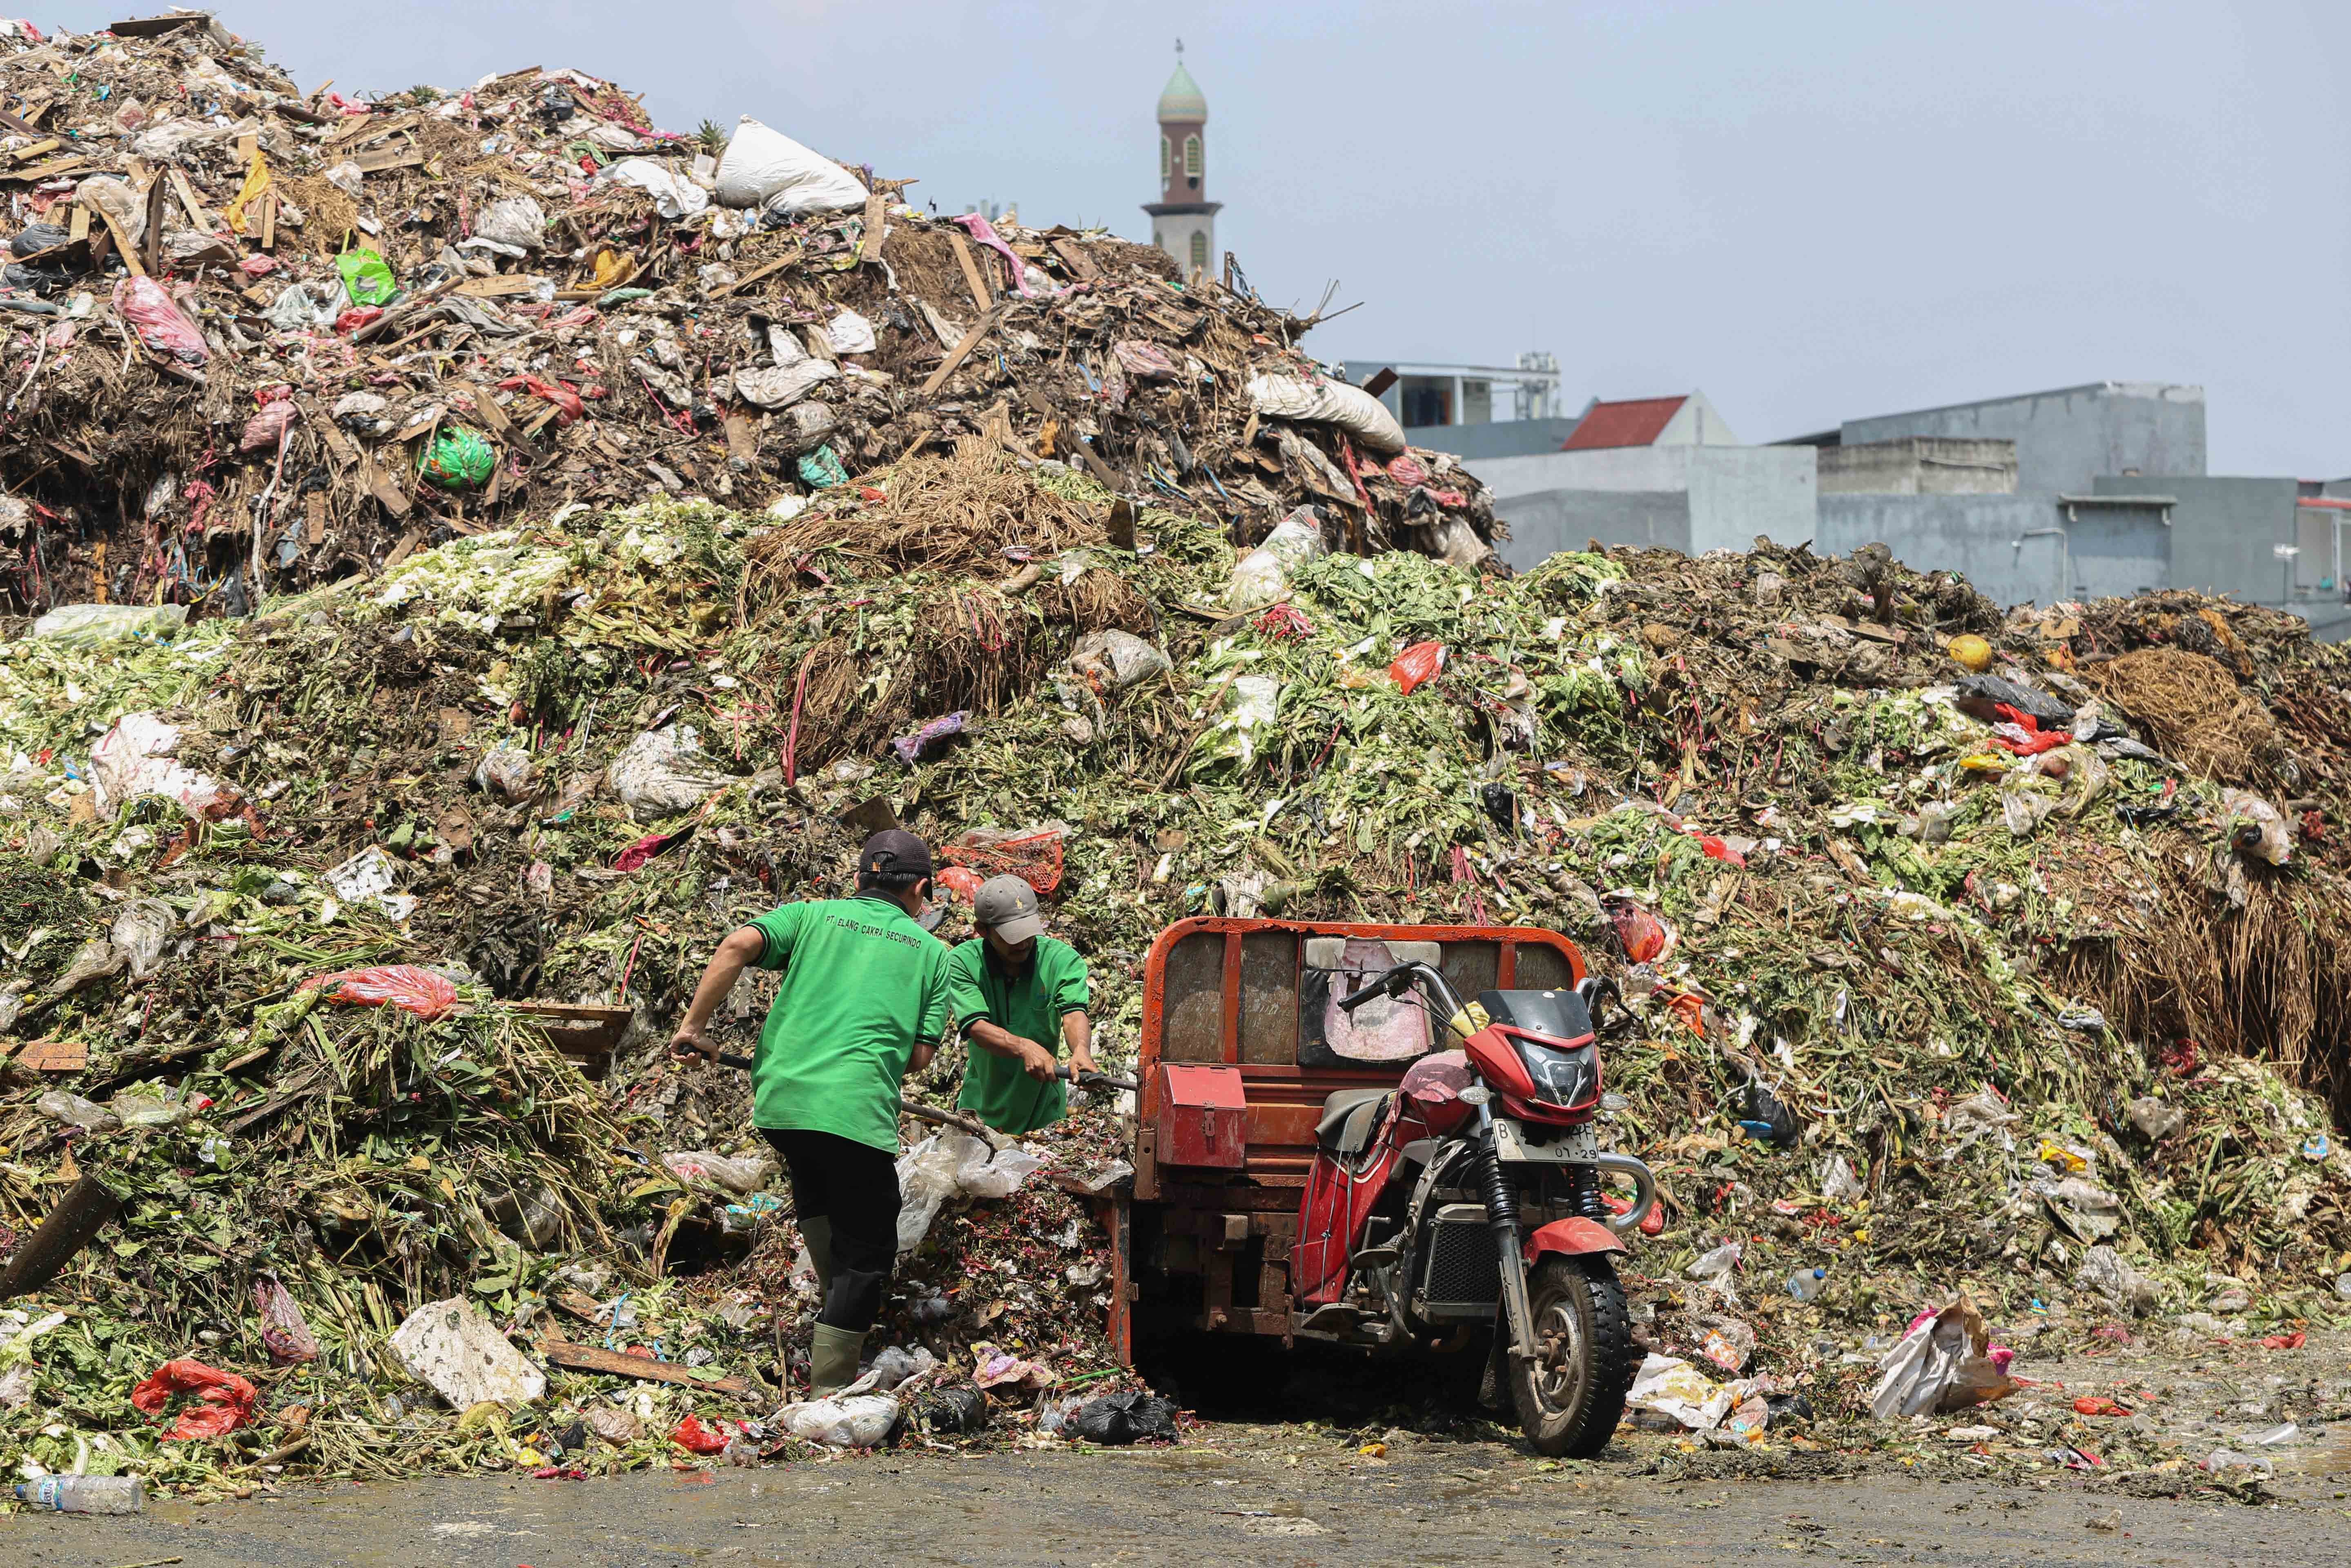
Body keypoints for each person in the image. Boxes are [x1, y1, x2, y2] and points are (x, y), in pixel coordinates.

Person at [669, 829, 950, 1396]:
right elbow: (919, 1059)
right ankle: (829, 1391)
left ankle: (831, 1314)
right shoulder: (934, 954)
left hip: (783, 1107)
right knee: (869, 1255)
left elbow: (734, 947)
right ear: (921, 889)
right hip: (854, 1113)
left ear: (859, 880)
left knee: (820, 1198)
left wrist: (694, 1028)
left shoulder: (810, 916)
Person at [946, 874, 1093, 1134]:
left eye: (1028, 933)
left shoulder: (1060, 960)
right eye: (1012, 937)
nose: (1024, 943)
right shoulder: (963, 963)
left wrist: (1081, 1051)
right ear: (983, 930)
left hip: (1043, 1111)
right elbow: (977, 1028)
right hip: (981, 1109)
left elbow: (1073, 1014)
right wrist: (1025, 1047)